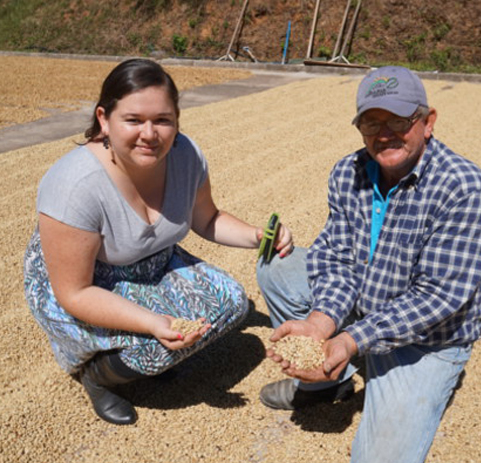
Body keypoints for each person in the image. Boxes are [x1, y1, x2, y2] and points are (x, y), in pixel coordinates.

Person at [256, 66, 481, 463]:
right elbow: (334, 257)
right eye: (372, 122)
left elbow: (438, 296)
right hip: (366, 308)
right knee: (275, 268)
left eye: (399, 121)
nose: (384, 134)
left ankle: (361, 365)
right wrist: (320, 323)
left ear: (428, 122)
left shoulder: (465, 190)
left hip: (429, 338)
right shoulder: (348, 172)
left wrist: (350, 340)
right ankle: (326, 380)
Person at [23, 58, 292, 426]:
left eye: (162, 120)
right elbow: (75, 292)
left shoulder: (186, 156)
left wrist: (258, 237)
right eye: (133, 120)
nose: (150, 134)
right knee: (158, 344)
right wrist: (153, 322)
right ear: (104, 119)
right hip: (86, 284)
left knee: (231, 302)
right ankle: (98, 378)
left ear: (177, 120)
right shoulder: (75, 185)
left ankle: (135, 354)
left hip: (153, 261)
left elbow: (207, 218)